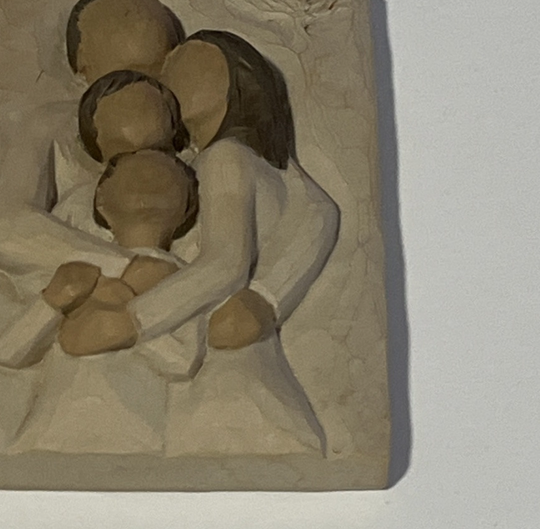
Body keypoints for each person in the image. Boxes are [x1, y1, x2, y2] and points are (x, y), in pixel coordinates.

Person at [61, 29, 340, 455]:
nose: (168, 76)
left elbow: (225, 265)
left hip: (222, 391)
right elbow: (321, 212)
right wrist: (268, 297)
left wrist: (130, 321)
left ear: (236, 81)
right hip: (240, 380)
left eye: (189, 65)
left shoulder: (224, 158)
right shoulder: (273, 172)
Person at [0, 0, 186, 292]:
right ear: (82, 65)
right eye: (128, 72)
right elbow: (5, 227)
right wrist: (126, 266)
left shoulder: (182, 131)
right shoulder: (51, 125)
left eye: (159, 70)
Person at [0, 151, 205, 455]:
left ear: (187, 208)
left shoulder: (187, 280)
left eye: (167, 176)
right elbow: (8, 352)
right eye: (132, 176)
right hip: (47, 437)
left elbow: (182, 361)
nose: (147, 180)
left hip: (133, 440)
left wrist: (127, 306)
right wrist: (51, 302)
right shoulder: (75, 269)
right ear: (101, 202)